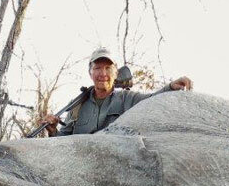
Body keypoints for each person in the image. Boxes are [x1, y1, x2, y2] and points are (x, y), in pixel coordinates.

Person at [44, 47, 193, 136]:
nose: (103, 73)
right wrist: (52, 131)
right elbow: (63, 141)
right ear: (90, 73)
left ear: (115, 74)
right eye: (97, 68)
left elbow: (153, 100)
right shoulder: (77, 105)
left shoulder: (127, 99)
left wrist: (171, 87)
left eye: (108, 68)